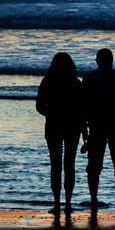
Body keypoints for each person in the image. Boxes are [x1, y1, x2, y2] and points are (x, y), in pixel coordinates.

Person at [82, 48, 115, 214]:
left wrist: (85, 126)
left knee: (94, 164)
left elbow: (83, 103)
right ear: (112, 61)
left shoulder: (89, 78)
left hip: (96, 124)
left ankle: (94, 199)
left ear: (97, 61)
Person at [36, 52, 85, 215]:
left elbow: (39, 106)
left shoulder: (47, 82)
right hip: (73, 126)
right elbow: (82, 111)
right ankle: (68, 203)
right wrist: (85, 131)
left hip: (53, 126)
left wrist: (50, 114)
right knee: (69, 164)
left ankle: (57, 203)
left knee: (55, 164)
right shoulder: (76, 83)